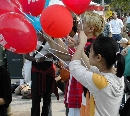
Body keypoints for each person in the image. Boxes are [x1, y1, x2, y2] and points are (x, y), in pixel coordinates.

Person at [44, 11, 104, 116]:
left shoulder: (92, 46)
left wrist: (54, 35)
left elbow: (63, 54)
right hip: (79, 94)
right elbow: (62, 53)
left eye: (83, 22)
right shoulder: (86, 44)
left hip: (84, 97)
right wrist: (53, 35)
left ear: (91, 28)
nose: (79, 23)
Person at [69, 31, 125, 115]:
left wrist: (81, 45)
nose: (89, 54)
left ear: (98, 57)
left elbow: (74, 66)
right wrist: (79, 46)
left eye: (90, 51)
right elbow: (92, 68)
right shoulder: (116, 74)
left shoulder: (100, 82)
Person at [24, 31, 59, 116]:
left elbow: (57, 53)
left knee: (47, 97)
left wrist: (49, 54)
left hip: (49, 69)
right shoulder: (32, 37)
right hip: (36, 69)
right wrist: (36, 59)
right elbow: (25, 55)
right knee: (36, 96)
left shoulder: (52, 37)